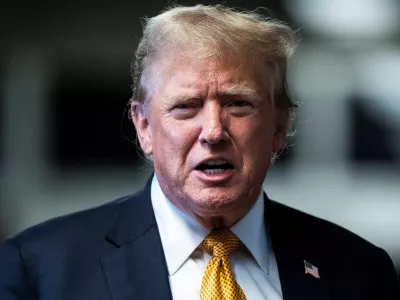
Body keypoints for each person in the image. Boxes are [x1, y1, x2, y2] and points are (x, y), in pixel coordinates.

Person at [0, 4, 399, 300]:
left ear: (279, 126)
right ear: (143, 127)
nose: (213, 131)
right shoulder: (37, 271)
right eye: (186, 106)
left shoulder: (362, 273)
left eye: (238, 104)